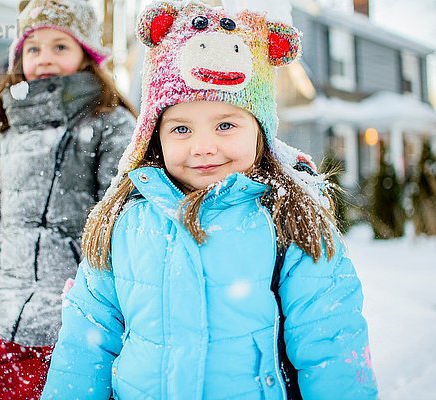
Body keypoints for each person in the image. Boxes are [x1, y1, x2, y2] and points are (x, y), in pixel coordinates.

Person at [41, 1, 378, 399]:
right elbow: (84, 346)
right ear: (155, 136)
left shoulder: (290, 219)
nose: (203, 147)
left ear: (260, 131)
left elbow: (332, 347)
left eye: (225, 124)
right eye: (181, 128)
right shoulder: (125, 220)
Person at [0, 0, 135, 398]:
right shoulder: (6, 135)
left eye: (60, 46)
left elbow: (120, 221)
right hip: (12, 323)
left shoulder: (110, 124)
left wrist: (100, 294)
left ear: (86, 57)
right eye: (34, 48)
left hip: (82, 320)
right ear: (19, 58)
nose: (44, 58)